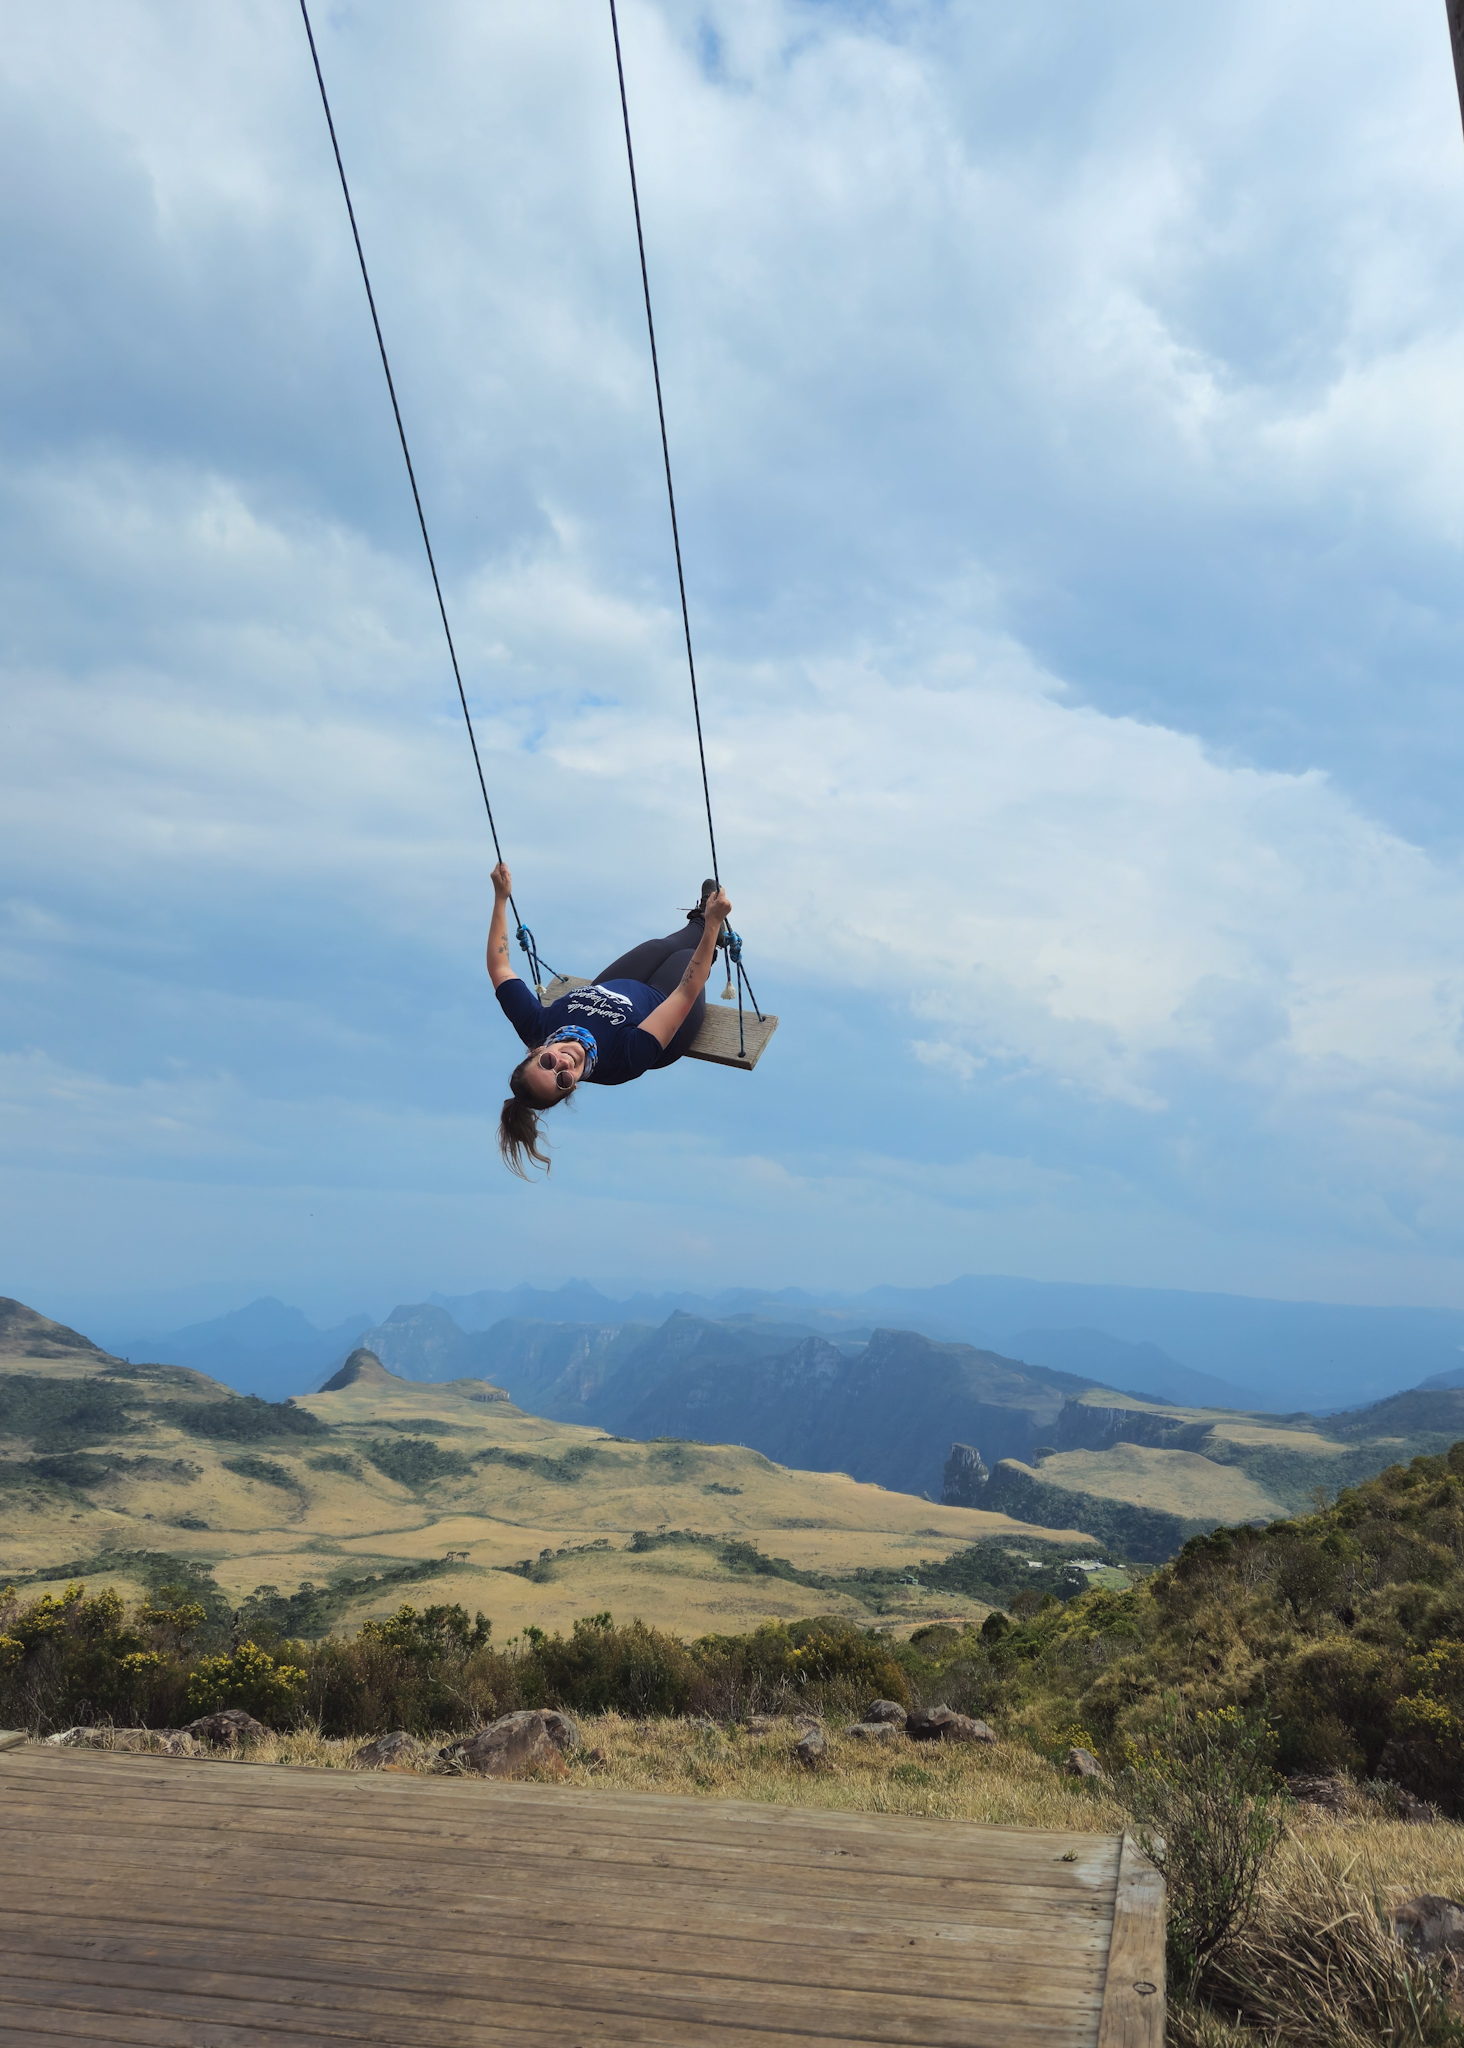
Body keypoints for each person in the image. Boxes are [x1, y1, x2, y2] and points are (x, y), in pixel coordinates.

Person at [487, 863, 732, 1176]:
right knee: (685, 957)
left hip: (613, 988)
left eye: (548, 1064)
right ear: (572, 1087)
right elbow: (685, 993)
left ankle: (700, 923)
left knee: (660, 947)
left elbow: (500, 968)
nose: (562, 1065)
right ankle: (710, 934)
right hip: (664, 1006)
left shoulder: (536, 1027)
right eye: (562, 1080)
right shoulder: (622, 1060)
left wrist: (500, 897)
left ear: (535, 1052)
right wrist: (713, 926)